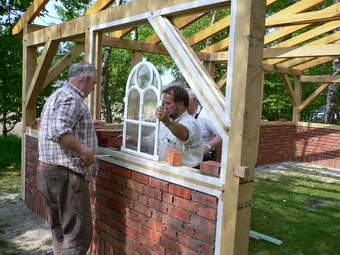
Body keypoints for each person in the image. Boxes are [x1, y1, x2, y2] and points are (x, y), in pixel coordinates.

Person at [37, 62, 104, 255]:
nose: (93, 88)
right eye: (94, 83)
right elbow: (58, 130)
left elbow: (51, 124)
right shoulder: (72, 99)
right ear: (85, 78)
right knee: (77, 237)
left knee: (60, 232)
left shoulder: (57, 95)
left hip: (47, 172)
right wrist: (85, 151)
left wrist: (88, 123)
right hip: (66, 175)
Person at [155, 85, 203, 167]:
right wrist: (131, 139)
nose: (164, 107)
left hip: (186, 176)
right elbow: (150, 141)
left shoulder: (191, 123)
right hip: (165, 173)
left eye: (168, 103)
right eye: (163, 103)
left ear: (181, 105)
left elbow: (184, 135)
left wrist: (167, 121)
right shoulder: (164, 122)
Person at [187, 89, 222, 161]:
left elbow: (221, 134)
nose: (184, 103)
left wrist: (208, 147)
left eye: (187, 100)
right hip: (188, 156)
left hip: (204, 158)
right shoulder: (183, 115)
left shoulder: (205, 114)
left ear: (194, 100)